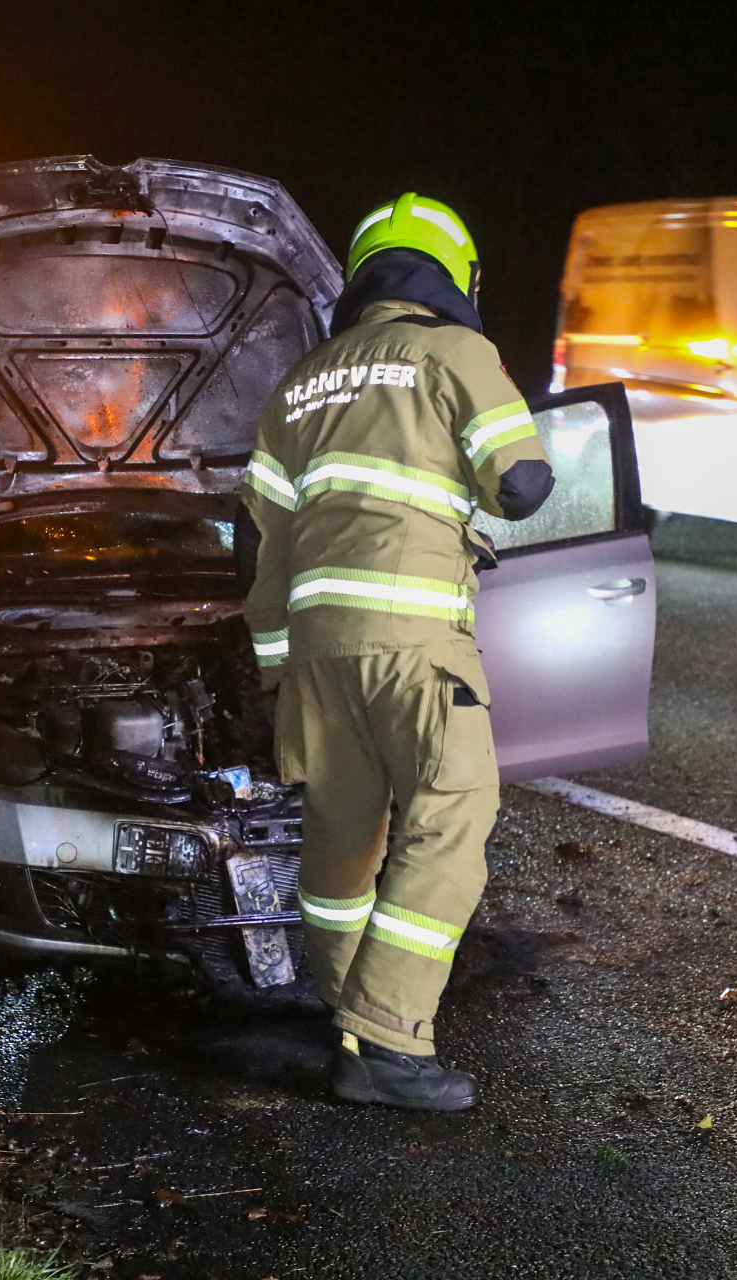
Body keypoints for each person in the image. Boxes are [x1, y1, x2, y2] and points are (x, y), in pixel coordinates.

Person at [241, 193, 555, 1111]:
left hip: (314, 657)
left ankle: (347, 1017)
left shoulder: (299, 385)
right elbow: (524, 484)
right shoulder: (456, 352)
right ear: (452, 275)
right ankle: (386, 1040)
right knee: (450, 823)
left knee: (343, 842)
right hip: (415, 647)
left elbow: (259, 546)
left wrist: (277, 672)